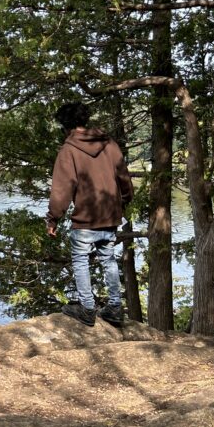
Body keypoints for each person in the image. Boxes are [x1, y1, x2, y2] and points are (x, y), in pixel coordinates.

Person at [45, 101, 133, 327]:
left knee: (81, 260)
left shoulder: (69, 150)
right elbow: (123, 176)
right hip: (110, 215)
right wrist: (123, 200)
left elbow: (62, 188)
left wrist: (53, 218)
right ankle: (114, 307)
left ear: (65, 125)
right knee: (108, 258)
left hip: (85, 219)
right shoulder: (109, 144)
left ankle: (87, 307)